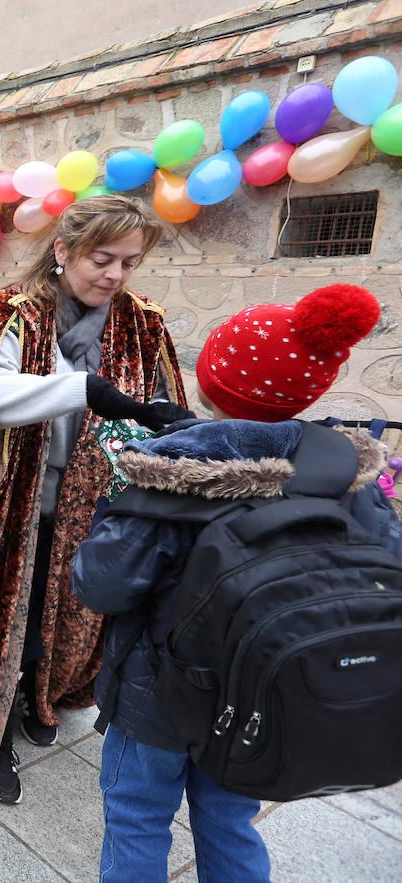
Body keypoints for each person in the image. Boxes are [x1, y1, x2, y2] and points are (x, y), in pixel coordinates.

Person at [71, 284, 398, 880]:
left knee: (137, 816)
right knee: (228, 822)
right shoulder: (348, 476)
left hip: (157, 699)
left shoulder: (173, 472)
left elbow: (101, 584)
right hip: (264, 700)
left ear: (209, 382)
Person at [0, 195, 193, 805]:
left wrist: (165, 417)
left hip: (92, 505)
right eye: (102, 258)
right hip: (14, 503)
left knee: (66, 613)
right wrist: (81, 389)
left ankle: (40, 696)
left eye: (129, 263)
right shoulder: (15, 315)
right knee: (11, 615)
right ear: (63, 251)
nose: (115, 275)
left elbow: (158, 393)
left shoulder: (138, 321)